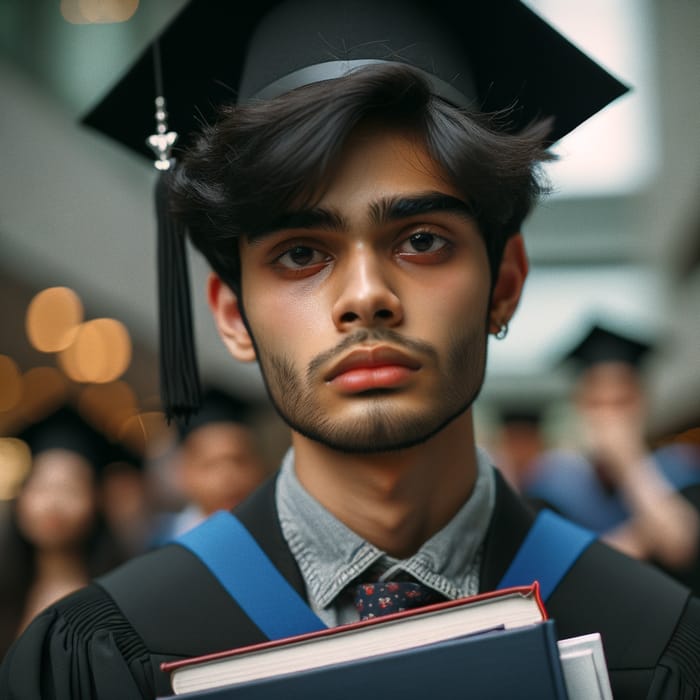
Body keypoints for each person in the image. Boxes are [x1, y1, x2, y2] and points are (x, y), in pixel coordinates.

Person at [3, 1, 700, 698]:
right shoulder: (102, 655)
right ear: (232, 315)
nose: (365, 296)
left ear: (505, 283)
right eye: (301, 253)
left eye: (422, 239)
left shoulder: (657, 640)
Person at [524, 322, 700, 592]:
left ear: (643, 403)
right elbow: (553, 570)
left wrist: (630, 463)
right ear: (578, 406)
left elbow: (680, 547)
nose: (610, 419)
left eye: (621, 402)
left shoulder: (678, 467)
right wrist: (644, 535)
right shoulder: (553, 480)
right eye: (597, 403)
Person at [0, 404, 124, 661]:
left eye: (70, 488)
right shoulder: (6, 592)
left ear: (96, 501)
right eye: (42, 487)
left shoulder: (121, 597)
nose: (53, 503)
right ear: (21, 497)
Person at [150, 387, 271, 543]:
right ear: (184, 471)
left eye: (239, 461)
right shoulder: (166, 547)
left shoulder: (284, 537)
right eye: (210, 465)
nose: (228, 477)